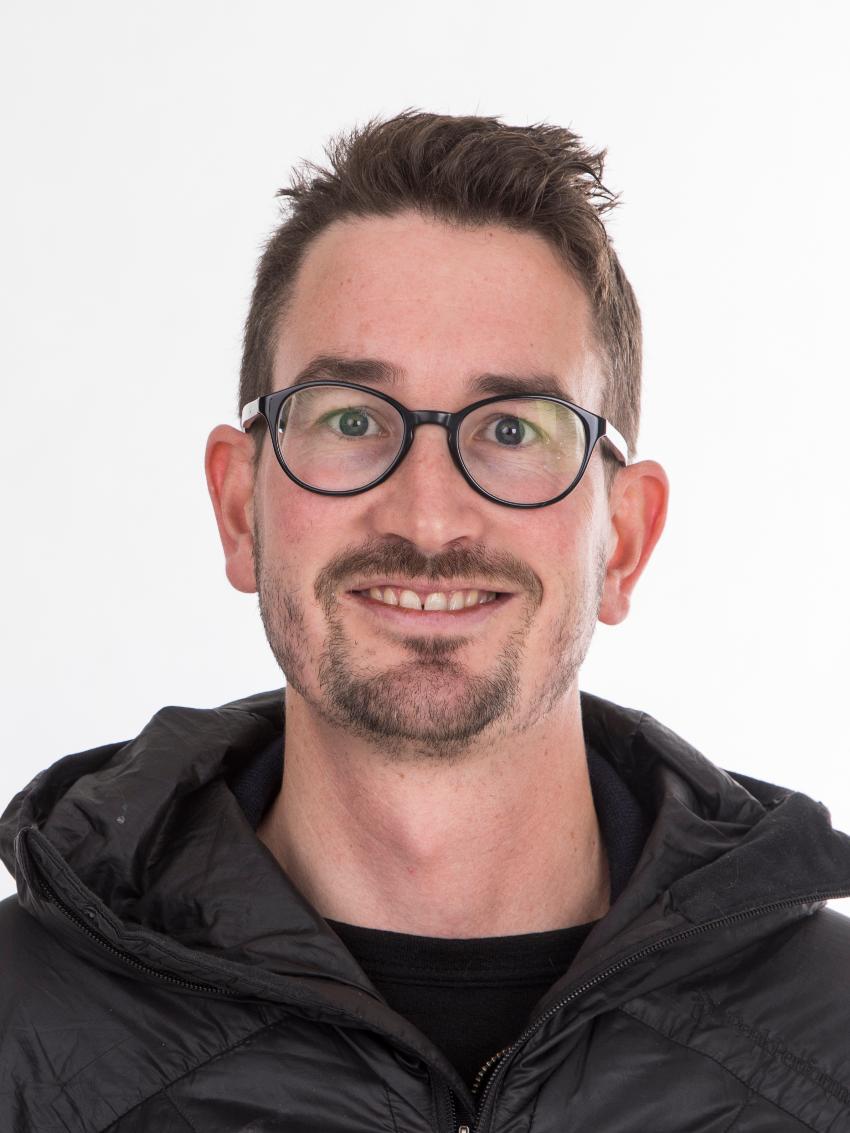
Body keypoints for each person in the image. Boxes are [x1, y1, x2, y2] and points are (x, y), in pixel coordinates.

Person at [1, 110, 849, 1133]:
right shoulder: (20, 1035)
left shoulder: (832, 1043)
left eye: (513, 429)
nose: (429, 516)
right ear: (239, 511)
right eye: (352, 419)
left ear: (622, 539)